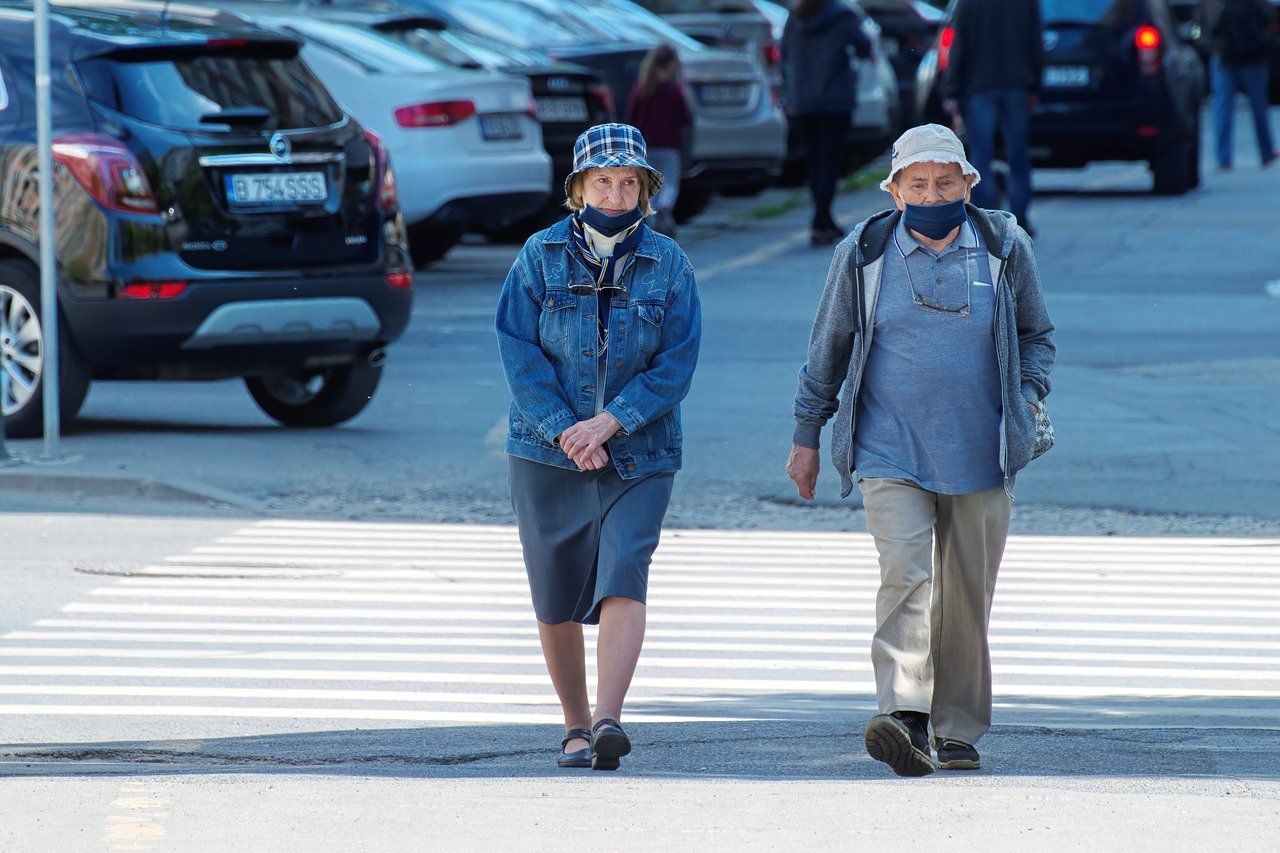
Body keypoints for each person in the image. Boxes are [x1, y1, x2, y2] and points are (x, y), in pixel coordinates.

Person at [785, 124, 1054, 776]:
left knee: (964, 595)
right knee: (905, 573)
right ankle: (904, 715)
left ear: (968, 183)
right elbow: (829, 349)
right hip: (888, 449)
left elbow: (1036, 335)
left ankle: (956, 730)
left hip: (982, 451)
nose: (932, 192)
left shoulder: (1003, 246)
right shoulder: (863, 252)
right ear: (895, 191)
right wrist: (807, 435)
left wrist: (1026, 391)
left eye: (944, 181)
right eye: (917, 183)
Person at [495, 123, 702, 772]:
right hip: (545, 450)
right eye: (602, 181)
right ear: (578, 188)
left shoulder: (669, 263)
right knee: (553, 592)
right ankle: (576, 726)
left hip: (640, 451)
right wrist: (566, 427)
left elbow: (676, 364)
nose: (615, 194)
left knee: (624, 570)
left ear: (646, 191)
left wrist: (609, 422)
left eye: (629, 182)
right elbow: (517, 349)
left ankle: (611, 718)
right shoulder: (538, 255)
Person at [941, 0, 1043, 236]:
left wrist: (951, 89)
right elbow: (1035, 43)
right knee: (1018, 156)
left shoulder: (967, 3)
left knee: (980, 157)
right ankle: (1020, 221)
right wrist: (1035, 86)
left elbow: (959, 45)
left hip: (978, 87)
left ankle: (986, 223)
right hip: (1017, 85)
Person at [780, 0, 872, 247]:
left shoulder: (795, 17)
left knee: (813, 161)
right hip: (835, 102)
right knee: (829, 163)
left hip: (802, 102)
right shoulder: (843, 16)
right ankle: (820, 223)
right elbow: (864, 47)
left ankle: (824, 220)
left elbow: (784, 52)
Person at [1198, 0, 1278, 169]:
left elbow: (1205, 25)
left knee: (1222, 106)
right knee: (1259, 107)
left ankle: (1223, 157)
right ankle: (1266, 152)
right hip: (1254, 58)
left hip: (1224, 56)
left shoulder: (1216, 4)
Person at [626, 44, 693, 237]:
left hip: (646, 147)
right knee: (670, 182)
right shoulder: (673, 91)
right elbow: (685, 120)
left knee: (651, 184)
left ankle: (653, 222)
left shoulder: (641, 90)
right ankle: (665, 208)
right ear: (670, 64)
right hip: (669, 145)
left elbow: (632, 119)